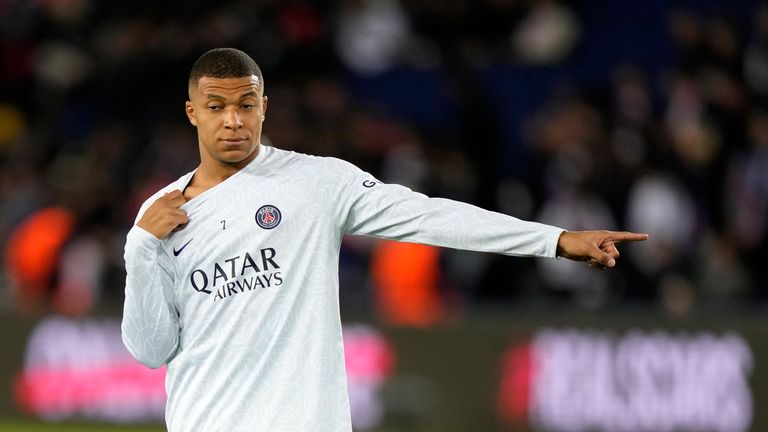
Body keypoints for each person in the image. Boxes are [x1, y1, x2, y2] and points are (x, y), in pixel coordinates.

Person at [121, 47, 648, 431]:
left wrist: (555, 239)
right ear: (193, 113)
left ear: (265, 107)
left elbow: (428, 216)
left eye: (246, 104)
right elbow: (151, 350)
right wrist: (140, 249)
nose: (233, 120)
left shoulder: (316, 183)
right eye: (216, 106)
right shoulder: (160, 216)